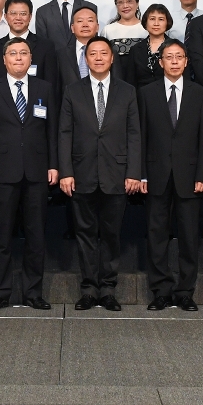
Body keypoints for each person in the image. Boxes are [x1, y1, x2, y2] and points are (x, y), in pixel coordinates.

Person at [59, 37, 142, 312]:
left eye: (103, 53)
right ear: (86, 59)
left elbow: (134, 134)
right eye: (92, 53)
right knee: (85, 234)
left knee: (111, 234)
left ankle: (108, 289)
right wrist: (66, 172)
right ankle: (88, 290)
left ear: (112, 58)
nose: (97, 58)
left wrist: (133, 172)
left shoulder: (127, 91)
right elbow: (65, 133)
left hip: (116, 174)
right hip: (81, 174)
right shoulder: (72, 90)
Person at [0, 37, 58, 311]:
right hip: (1, 173)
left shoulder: (44, 88)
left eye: (24, 53)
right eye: (13, 53)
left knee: (36, 237)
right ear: (4, 60)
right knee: (1, 237)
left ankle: (33, 292)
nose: (19, 58)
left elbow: (52, 132)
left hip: (36, 173)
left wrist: (54, 165)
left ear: (31, 58)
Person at [140, 40, 203, 311]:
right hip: (156, 174)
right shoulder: (146, 93)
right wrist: (142, 174)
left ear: (186, 61)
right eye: (168, 57)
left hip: (190, 176)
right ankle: (160, 290)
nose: (173, 61)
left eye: (178, 57)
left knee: (189, 236)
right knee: (156, 235)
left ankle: (185, 292)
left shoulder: (200, 93)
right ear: (160, 63)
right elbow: (142, 136)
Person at [0, 0, 59, 89]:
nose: (18, 18)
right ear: (5, 16)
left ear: (30, 16)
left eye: (23, 14)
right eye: (13, 13)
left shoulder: (46, 47)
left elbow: (51, 85)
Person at [102, 0, 147, 85]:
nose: (125, 6)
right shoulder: (108, 30)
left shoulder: (147, 29)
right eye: (120, 2)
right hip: (115, 83)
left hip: (142, 83)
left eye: (129, 1)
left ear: (137, 3)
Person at [56, 5, 102, 95]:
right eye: (80, 21)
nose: (85, 25)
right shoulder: (61, 55)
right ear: (72, 28)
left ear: (97, 27)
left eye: (90, 20)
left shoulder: (109, 52)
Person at [129, 4, 173, 88]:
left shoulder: (175, 48)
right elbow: (130, 81)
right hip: (141, 98)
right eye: (152, 19)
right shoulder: (135, 50)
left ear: (167, 22)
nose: (156, 23)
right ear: (145, 22)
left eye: (161, 19)